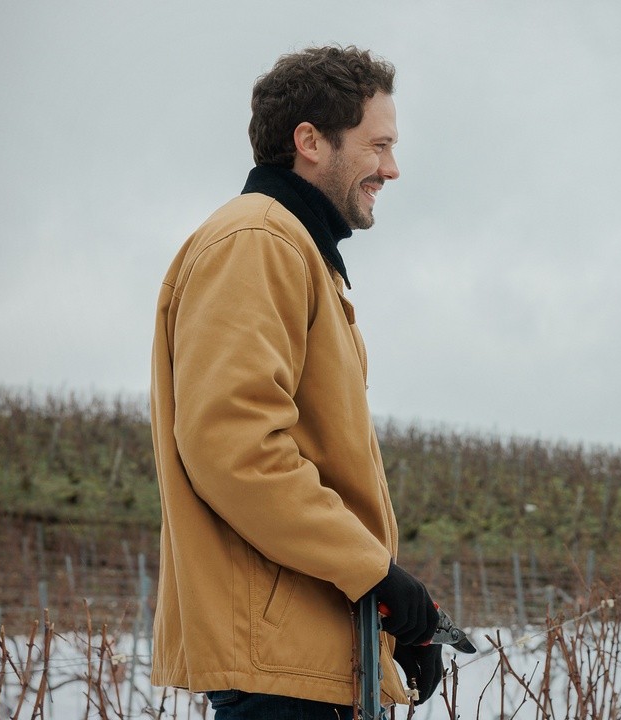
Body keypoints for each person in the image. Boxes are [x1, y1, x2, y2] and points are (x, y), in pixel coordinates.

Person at [149, 46, 443, 718]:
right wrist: (376, 575)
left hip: (306, 659)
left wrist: (388, 612)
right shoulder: (258, 242)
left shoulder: (294, 250)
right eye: (378, 146)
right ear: (310, 142)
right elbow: (237, 449)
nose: (392, 169)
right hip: (280, 674)